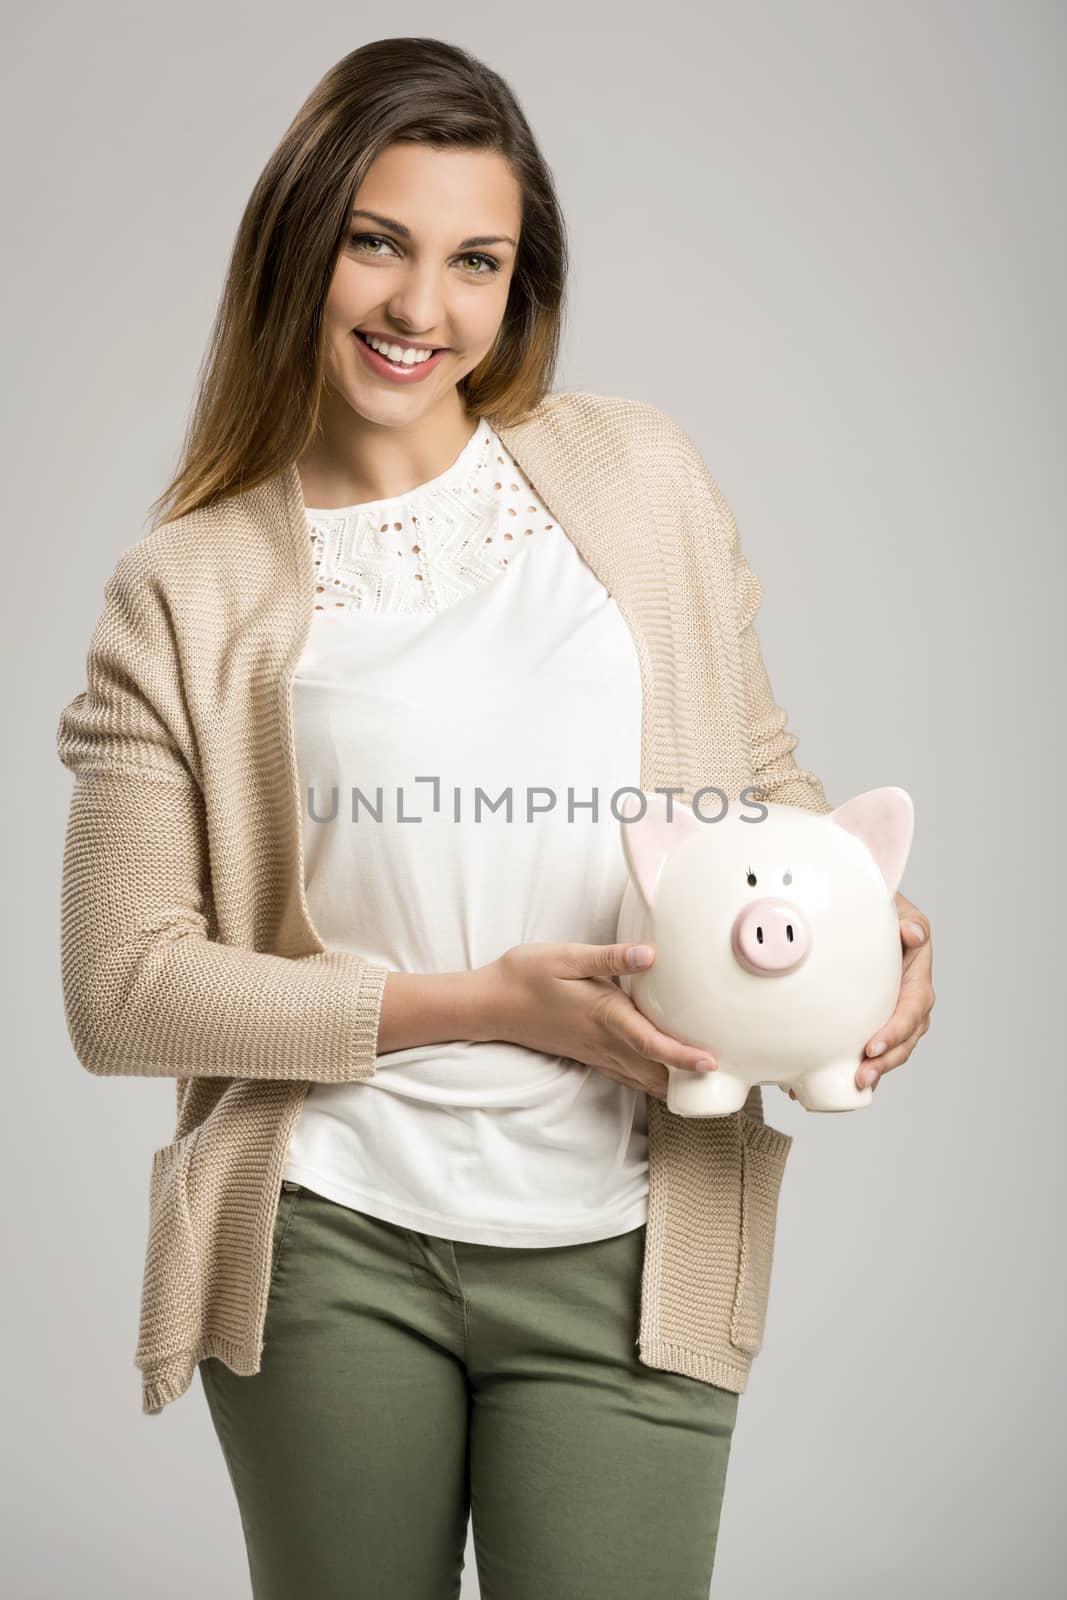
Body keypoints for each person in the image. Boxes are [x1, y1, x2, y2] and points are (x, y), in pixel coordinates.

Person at [55, 36, 935, 1600]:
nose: (420, 309)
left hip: (634, 1234)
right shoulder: (182, 591)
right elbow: (123, 993)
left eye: (477, 261)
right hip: (329, 1237)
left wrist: (865, 930)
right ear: (301, 241)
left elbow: (761, 778)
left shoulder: (636, 476)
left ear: (519, 285)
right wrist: (482, 1007)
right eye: (376, 242)